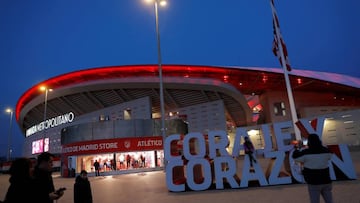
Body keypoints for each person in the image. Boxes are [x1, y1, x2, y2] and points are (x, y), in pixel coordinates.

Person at [292, 133, 333, 203]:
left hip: (313, 182)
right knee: (329, 200)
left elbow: (295, 157)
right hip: (326, 180)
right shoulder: (326, 151)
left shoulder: (306, 152)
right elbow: (330, 156)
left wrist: (297, 148)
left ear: (309, 142)